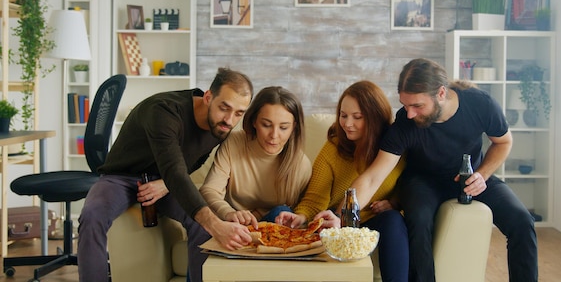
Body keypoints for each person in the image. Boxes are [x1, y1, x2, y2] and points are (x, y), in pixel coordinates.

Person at [349, 58, 538, 282]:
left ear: (441, 93)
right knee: (418, 222)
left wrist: (483, 174)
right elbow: (372, 177)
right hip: (423, 181)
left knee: (523, 222)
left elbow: (503, 142)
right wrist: (342, 215)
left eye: (417, 106)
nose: (409, 113)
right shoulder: (405, 122)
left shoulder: (480, 104)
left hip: (471, 176)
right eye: (404, 104)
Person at [77, 67, 254, 282]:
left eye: (238, 113)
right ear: (208, 97)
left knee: (201, 226)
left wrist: (165, 184)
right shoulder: (163, 111)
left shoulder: (221, 128)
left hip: (165, 181)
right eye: (224, 108)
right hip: (121, 177)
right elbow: (176, 171)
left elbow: (192, 162)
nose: (229, 119)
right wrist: (216, 225)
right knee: (93, 215)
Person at [276, 80, 409, 282]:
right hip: (336, 222)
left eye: (357, 117)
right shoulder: (334, 147)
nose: (347, 124)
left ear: (375, 118)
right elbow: (314, 199)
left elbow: (407, 188)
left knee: (393, 220)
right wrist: (302, 217)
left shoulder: (395, 150)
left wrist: (395, 203)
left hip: (372, 222)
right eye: (343, 115)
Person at [200, 86, 311, 226]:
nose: (274, 136)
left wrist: (258, 214)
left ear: (293, 127)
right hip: (233, 223)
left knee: (282, 211)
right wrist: (229, 213)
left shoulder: (301, 164)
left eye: (283, 127)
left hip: (274, 228)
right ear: (254, 121)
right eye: (266, 125)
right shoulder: (234, 143)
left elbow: (299, 212)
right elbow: (210, 190)